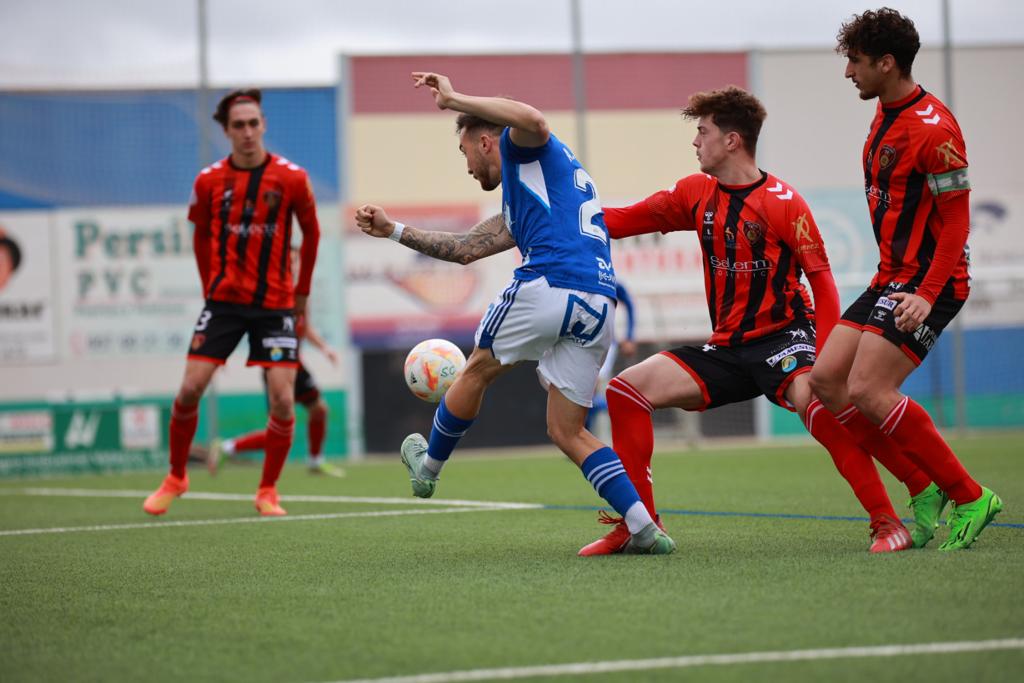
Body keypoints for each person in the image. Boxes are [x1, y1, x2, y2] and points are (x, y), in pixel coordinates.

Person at [579, 85, 934, 556]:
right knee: (626, 391)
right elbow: (622, 220)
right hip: (726, 347)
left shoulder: (784, 202)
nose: (695, 142)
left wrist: (827, 358)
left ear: (732, 141)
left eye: (702, 132)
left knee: (820, 405)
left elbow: (823, 284)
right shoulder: (695, 192)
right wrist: (557, 222)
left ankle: (887, 523)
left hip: (785, 338)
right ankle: (639, 525)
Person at [356, 71, 674, 554]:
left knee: (477, 368)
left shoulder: (521, 146)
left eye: (463, 153)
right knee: (567, 431)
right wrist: (394, 230)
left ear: (486, 141)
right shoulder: (540, 185)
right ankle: (644, 528)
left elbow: (534, 119)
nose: (466, 167)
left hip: (549, 284)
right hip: (597, 302)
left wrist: (452, 98)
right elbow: (465, 249)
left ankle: (427, 470)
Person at [808, 8, 1002, 551]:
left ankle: (970, 495)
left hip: (929, 280)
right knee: (825, 382)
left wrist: (927, 293)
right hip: (890, 276)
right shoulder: (885, 114)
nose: (849, 72)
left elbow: (958, 221)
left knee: (869, 388)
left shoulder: (934, 129)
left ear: (886, 63)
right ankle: (921, 486)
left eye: (855, 61)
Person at [143, 88, 320, 517]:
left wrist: (300, 296)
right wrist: (210, 286)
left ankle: (267, 491)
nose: (247, 132)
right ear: (225, 131)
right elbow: (201, 234)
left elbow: (311, 235)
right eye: (238, 125)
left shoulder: (292, 177)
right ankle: (176, 476)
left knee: (282, 399)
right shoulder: (208, 181)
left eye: (253, 123)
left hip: (276, 305)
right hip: (223, 302)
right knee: (189, 389)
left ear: (263, 125)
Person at [207, 248, 344, 478]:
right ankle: (226, 448)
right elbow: (246, 325)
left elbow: (305, 327)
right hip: (276, 365)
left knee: (319, 410)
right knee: (280, 431)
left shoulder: (300, 293)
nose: (292, 265)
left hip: (296, 364)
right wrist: (221, 354)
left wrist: (324, 349)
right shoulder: (267, 294)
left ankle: (315, 460)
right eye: (287, 261)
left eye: (295, 261)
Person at [586, 281, 638, 433]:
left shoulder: (607, 277)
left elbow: (629, 303)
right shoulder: (579, 273)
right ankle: (582, 436)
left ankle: (629, 407)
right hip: (579, 342)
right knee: (585, 393)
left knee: (591, 388)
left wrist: (629, 336)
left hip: (605, 343)